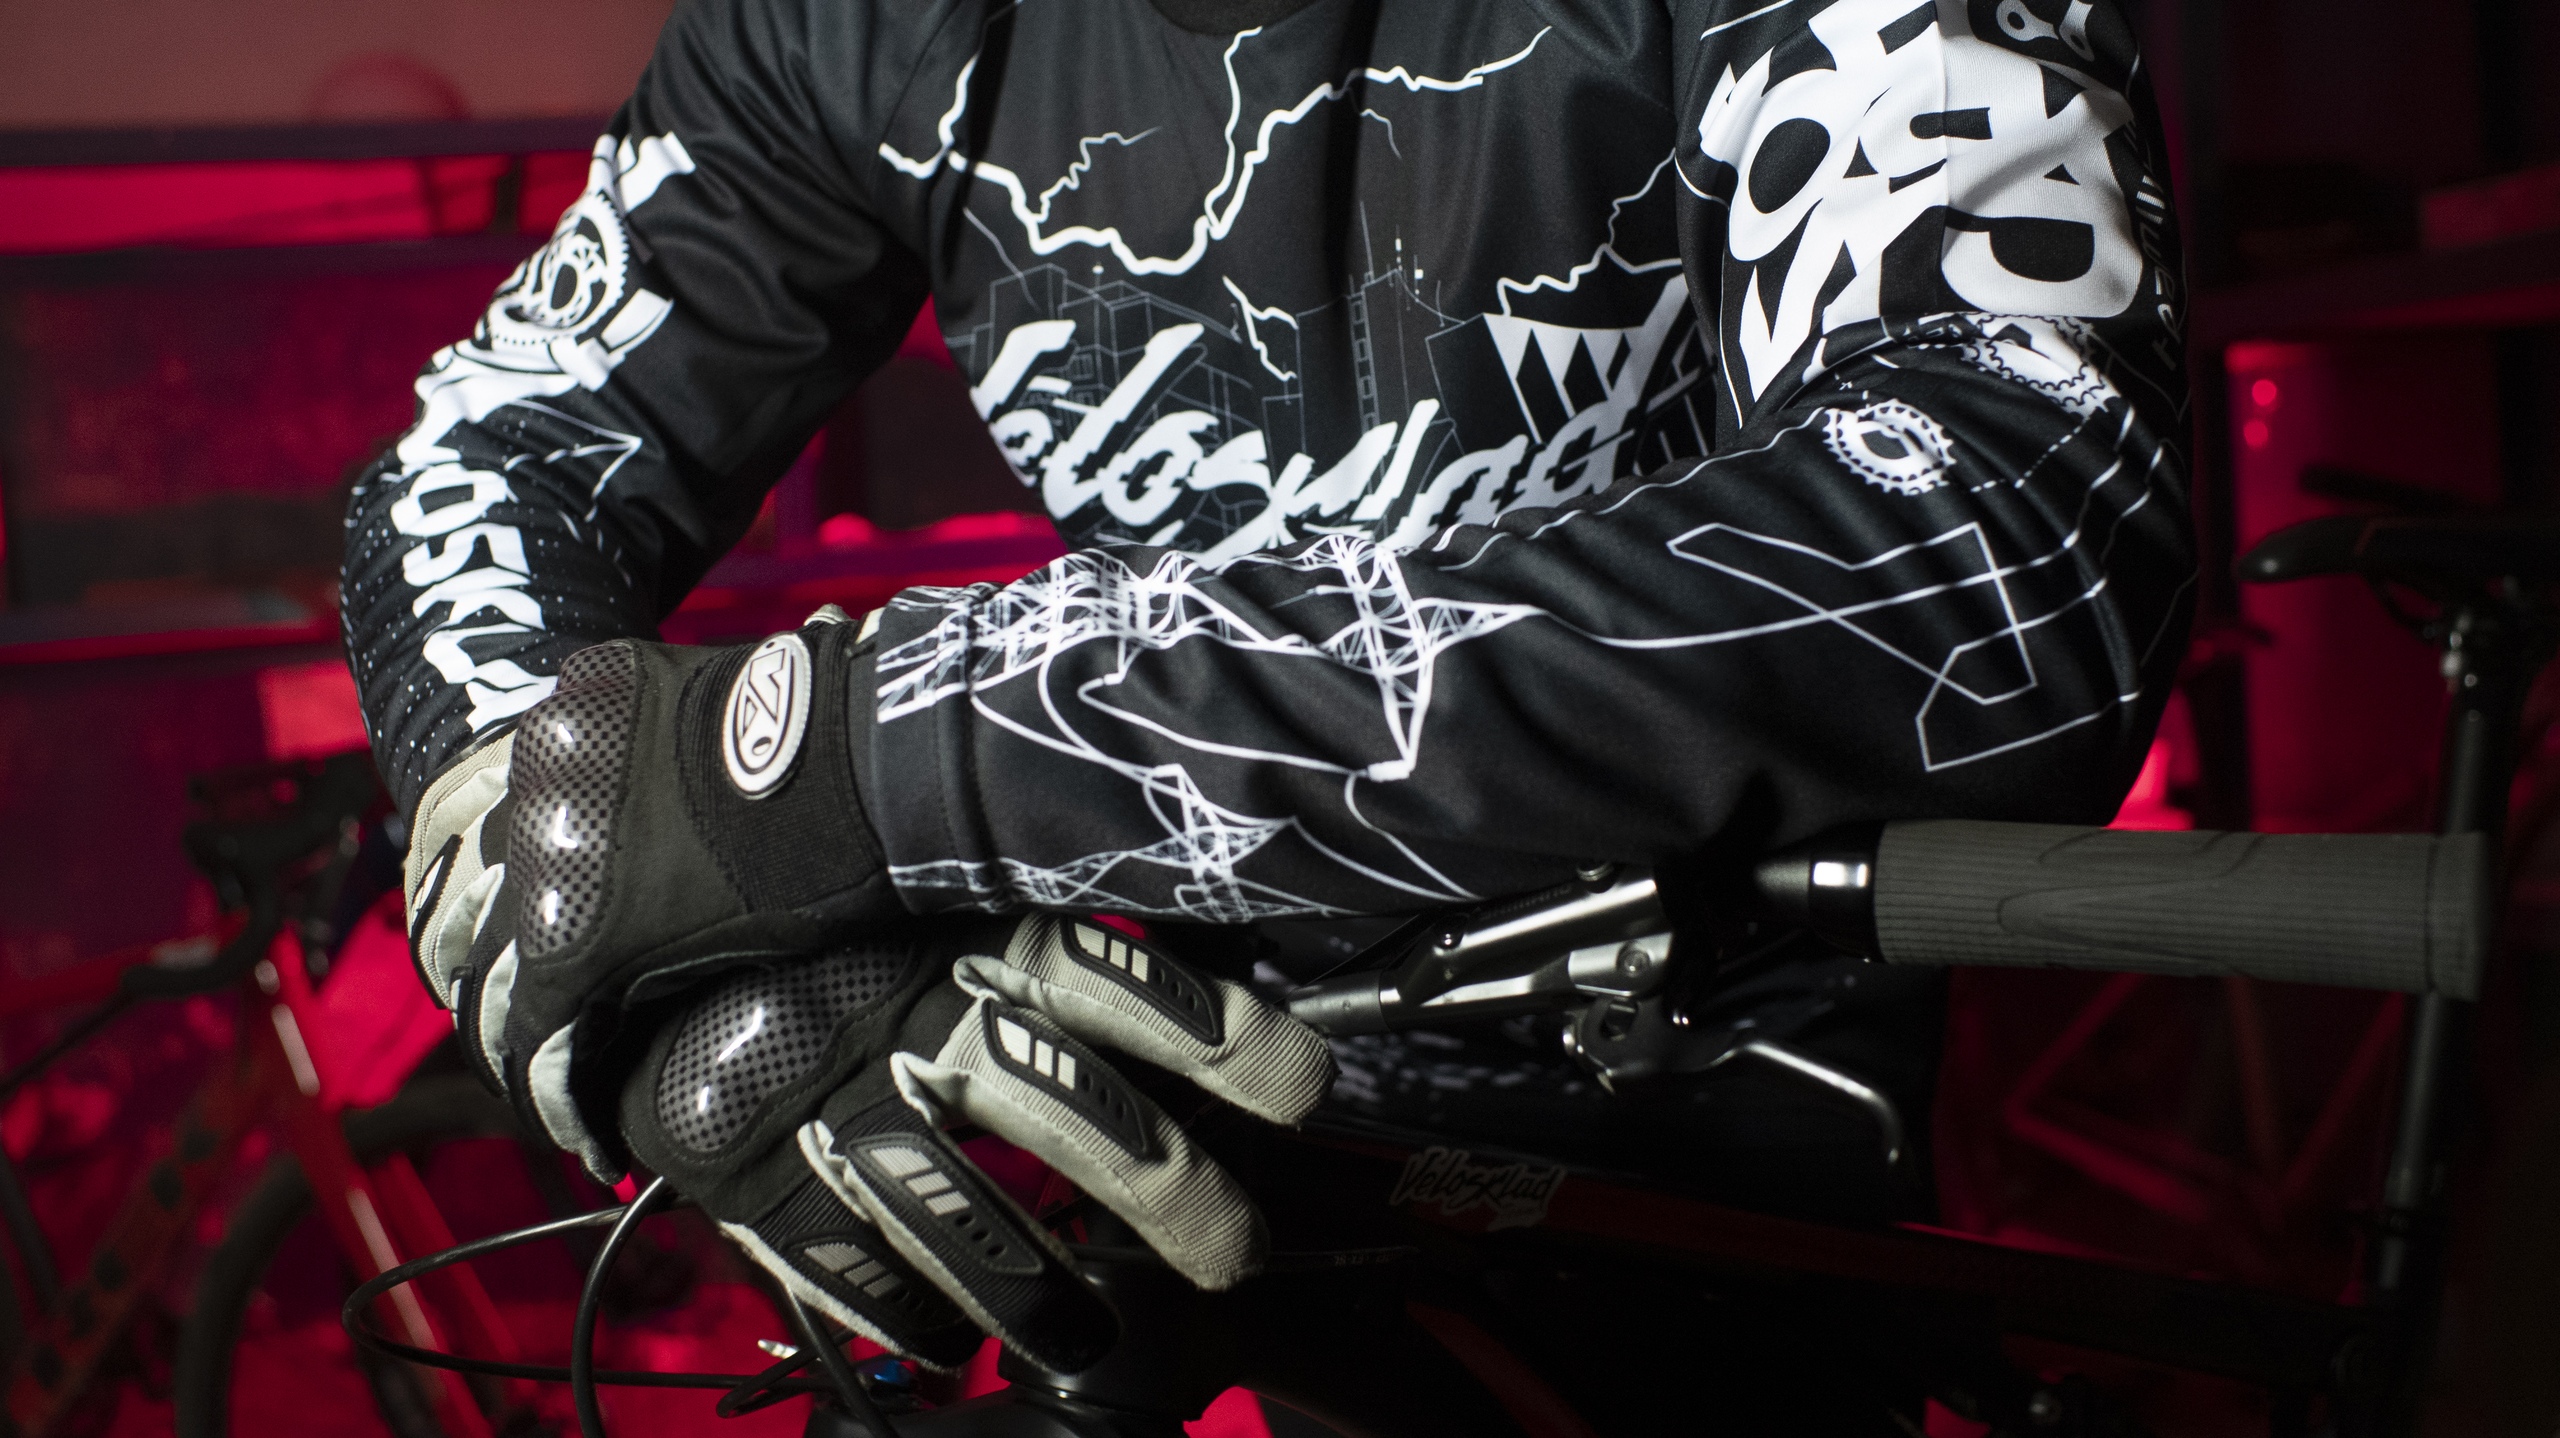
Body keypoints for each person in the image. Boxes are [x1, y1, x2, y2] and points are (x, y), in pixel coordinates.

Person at [350, 0, 2192, 1381]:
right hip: (1201, 1127)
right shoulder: (855, 20)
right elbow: (492, 453)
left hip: (1711, 1147)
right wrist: (642, 953)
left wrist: (889, 750)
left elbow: (2012, 514)